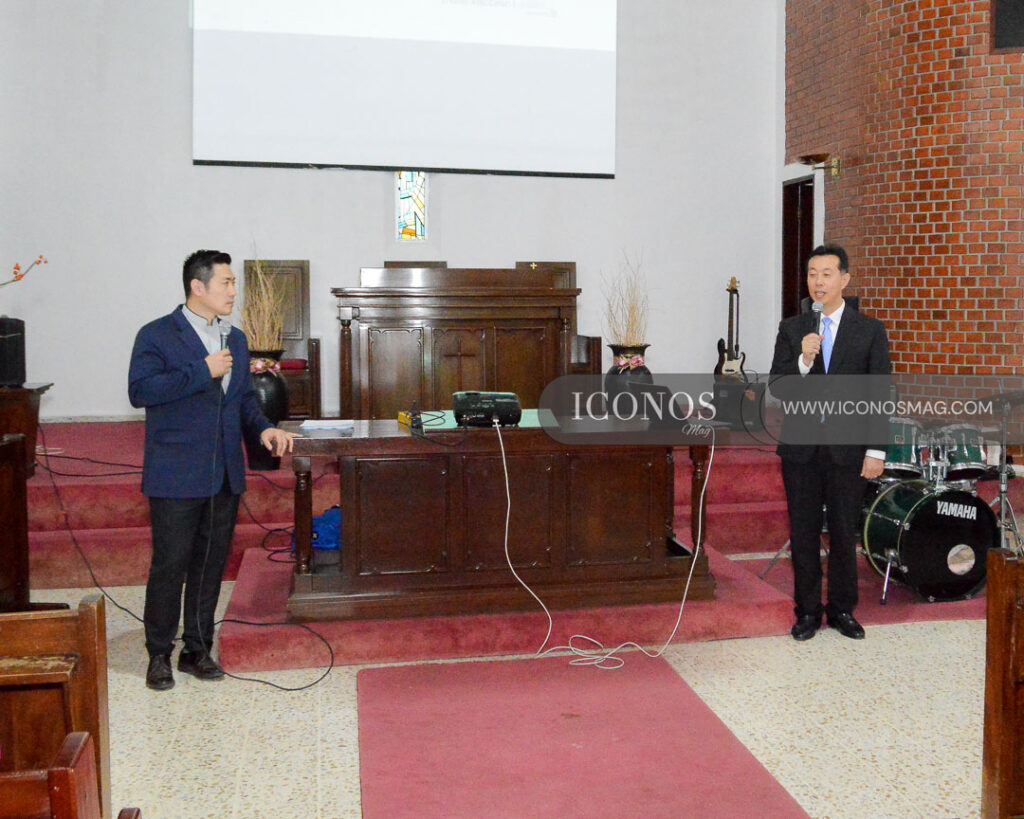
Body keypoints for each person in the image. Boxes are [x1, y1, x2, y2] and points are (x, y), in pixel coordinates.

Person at [129, 250, 297, 690]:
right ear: (197, 287)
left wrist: (263, 430)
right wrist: (200, 370)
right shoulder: (157, 335)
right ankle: (159, 654)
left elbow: (241, 399)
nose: (232, 291)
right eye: (225, 283)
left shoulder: (236, 339)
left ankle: (197, 649)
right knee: (170, 564)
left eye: (233, 283)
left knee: (209, 565)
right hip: (175, 471)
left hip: (223, 471)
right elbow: (141, 390)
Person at [769, 244, 891, 642]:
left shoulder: (869, 330)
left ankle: (842, 609)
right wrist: (803, 361)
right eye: (811, 274)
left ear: (844, 279)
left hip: (849, 450)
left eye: (826, 273)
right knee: (803, 533)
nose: (818, 281)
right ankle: (806, 612)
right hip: (801, 451)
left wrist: (876, 450)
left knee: (843, 532)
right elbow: (778, 388)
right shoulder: (792, 329)